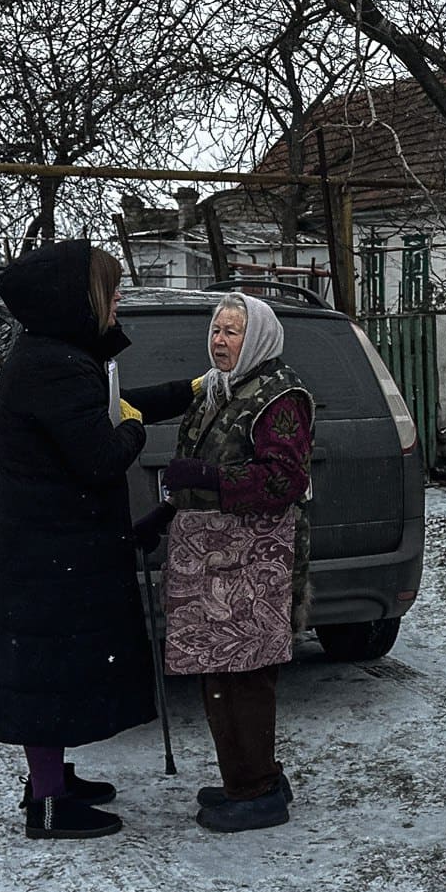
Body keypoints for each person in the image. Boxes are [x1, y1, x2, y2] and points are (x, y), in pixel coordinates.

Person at [0, 239, 186, 840]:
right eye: (112, 288)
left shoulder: (55, 356)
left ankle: (52, 780)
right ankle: (49, 805)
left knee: (53, 671)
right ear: (79, 298)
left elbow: (112, 405)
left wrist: (194, 390)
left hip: (50, 545)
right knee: (47, 673)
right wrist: (131, 432)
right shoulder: (54, 367)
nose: (120, 297)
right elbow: (101, 453)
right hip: (51, 551)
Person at [133, 291, 314, 833]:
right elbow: (196, 464)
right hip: (211, 556)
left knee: (245, 671)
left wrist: (212, 481)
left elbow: (285, 480)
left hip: (254, 560)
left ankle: (256, 790)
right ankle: (249, 776)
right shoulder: (216, 391)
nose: (220, 340)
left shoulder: (280, 397)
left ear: (256, 336)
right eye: (216, 330)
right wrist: (165, 513)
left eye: (232, 331)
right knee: (218, 669)